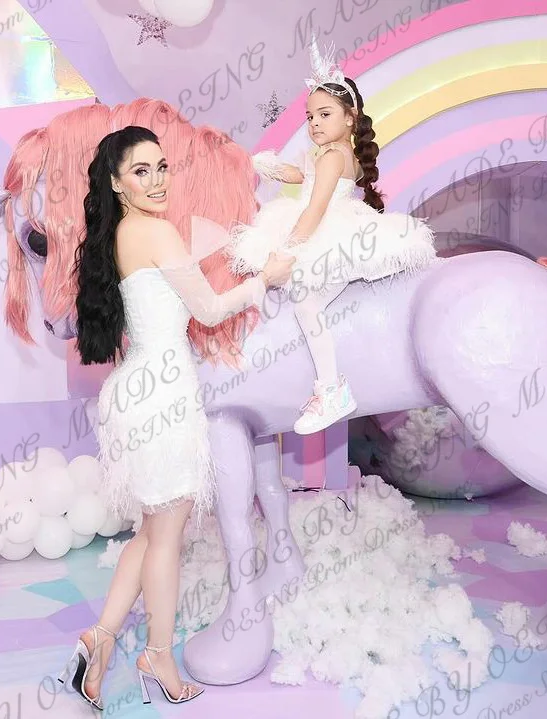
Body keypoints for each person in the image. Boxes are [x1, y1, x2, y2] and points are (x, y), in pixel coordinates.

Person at [59, 125, 293, 710]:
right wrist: (265, 279)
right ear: (116, 183)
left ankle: (101, 638)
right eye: (141, 171)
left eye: (162, 167)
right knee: (168, 537)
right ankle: (157, 654)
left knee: (150, 530)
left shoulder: (116, 236)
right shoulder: (155, 232)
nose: (157, 180)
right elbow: (210, 310)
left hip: (138, 388)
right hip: (163, 398)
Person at [228, 36, 437, 435]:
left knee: (307, 305)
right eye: (309, 117)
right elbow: (301, 177)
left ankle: (332, 389)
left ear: (349, 118)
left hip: (328, 233)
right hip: (329, 225)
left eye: (324, 114)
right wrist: (270, 167)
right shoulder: (338, 157)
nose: (314, 124)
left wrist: (288, 251)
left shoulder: (334, 158)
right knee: (299, 304)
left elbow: (315, 208)